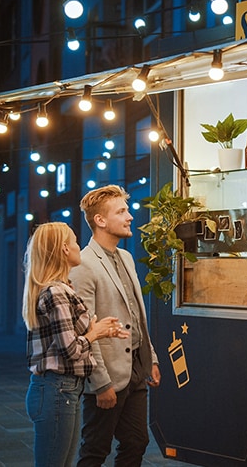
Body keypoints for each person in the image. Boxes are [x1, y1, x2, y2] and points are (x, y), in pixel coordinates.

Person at [69, 185, 161, 466]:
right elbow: (87, 329)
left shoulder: (126, 257)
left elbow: (136, 314)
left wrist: (151, 358)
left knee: (137, 442)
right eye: (121, 211)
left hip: (135, 367)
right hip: (107, 373)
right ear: (100, 220)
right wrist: (101, 384)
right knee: (96, 449)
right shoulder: (83, 263)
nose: (130, 216)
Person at [22, 222, 127, 467]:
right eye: (75, 241)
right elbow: (70, 350)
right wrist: (95, 334)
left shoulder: (59, 289)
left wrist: (99, 331)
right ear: (64, 250)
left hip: (61, 390)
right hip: (57, 390)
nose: (79, 246)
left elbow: (68, 340)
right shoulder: (56, 292)